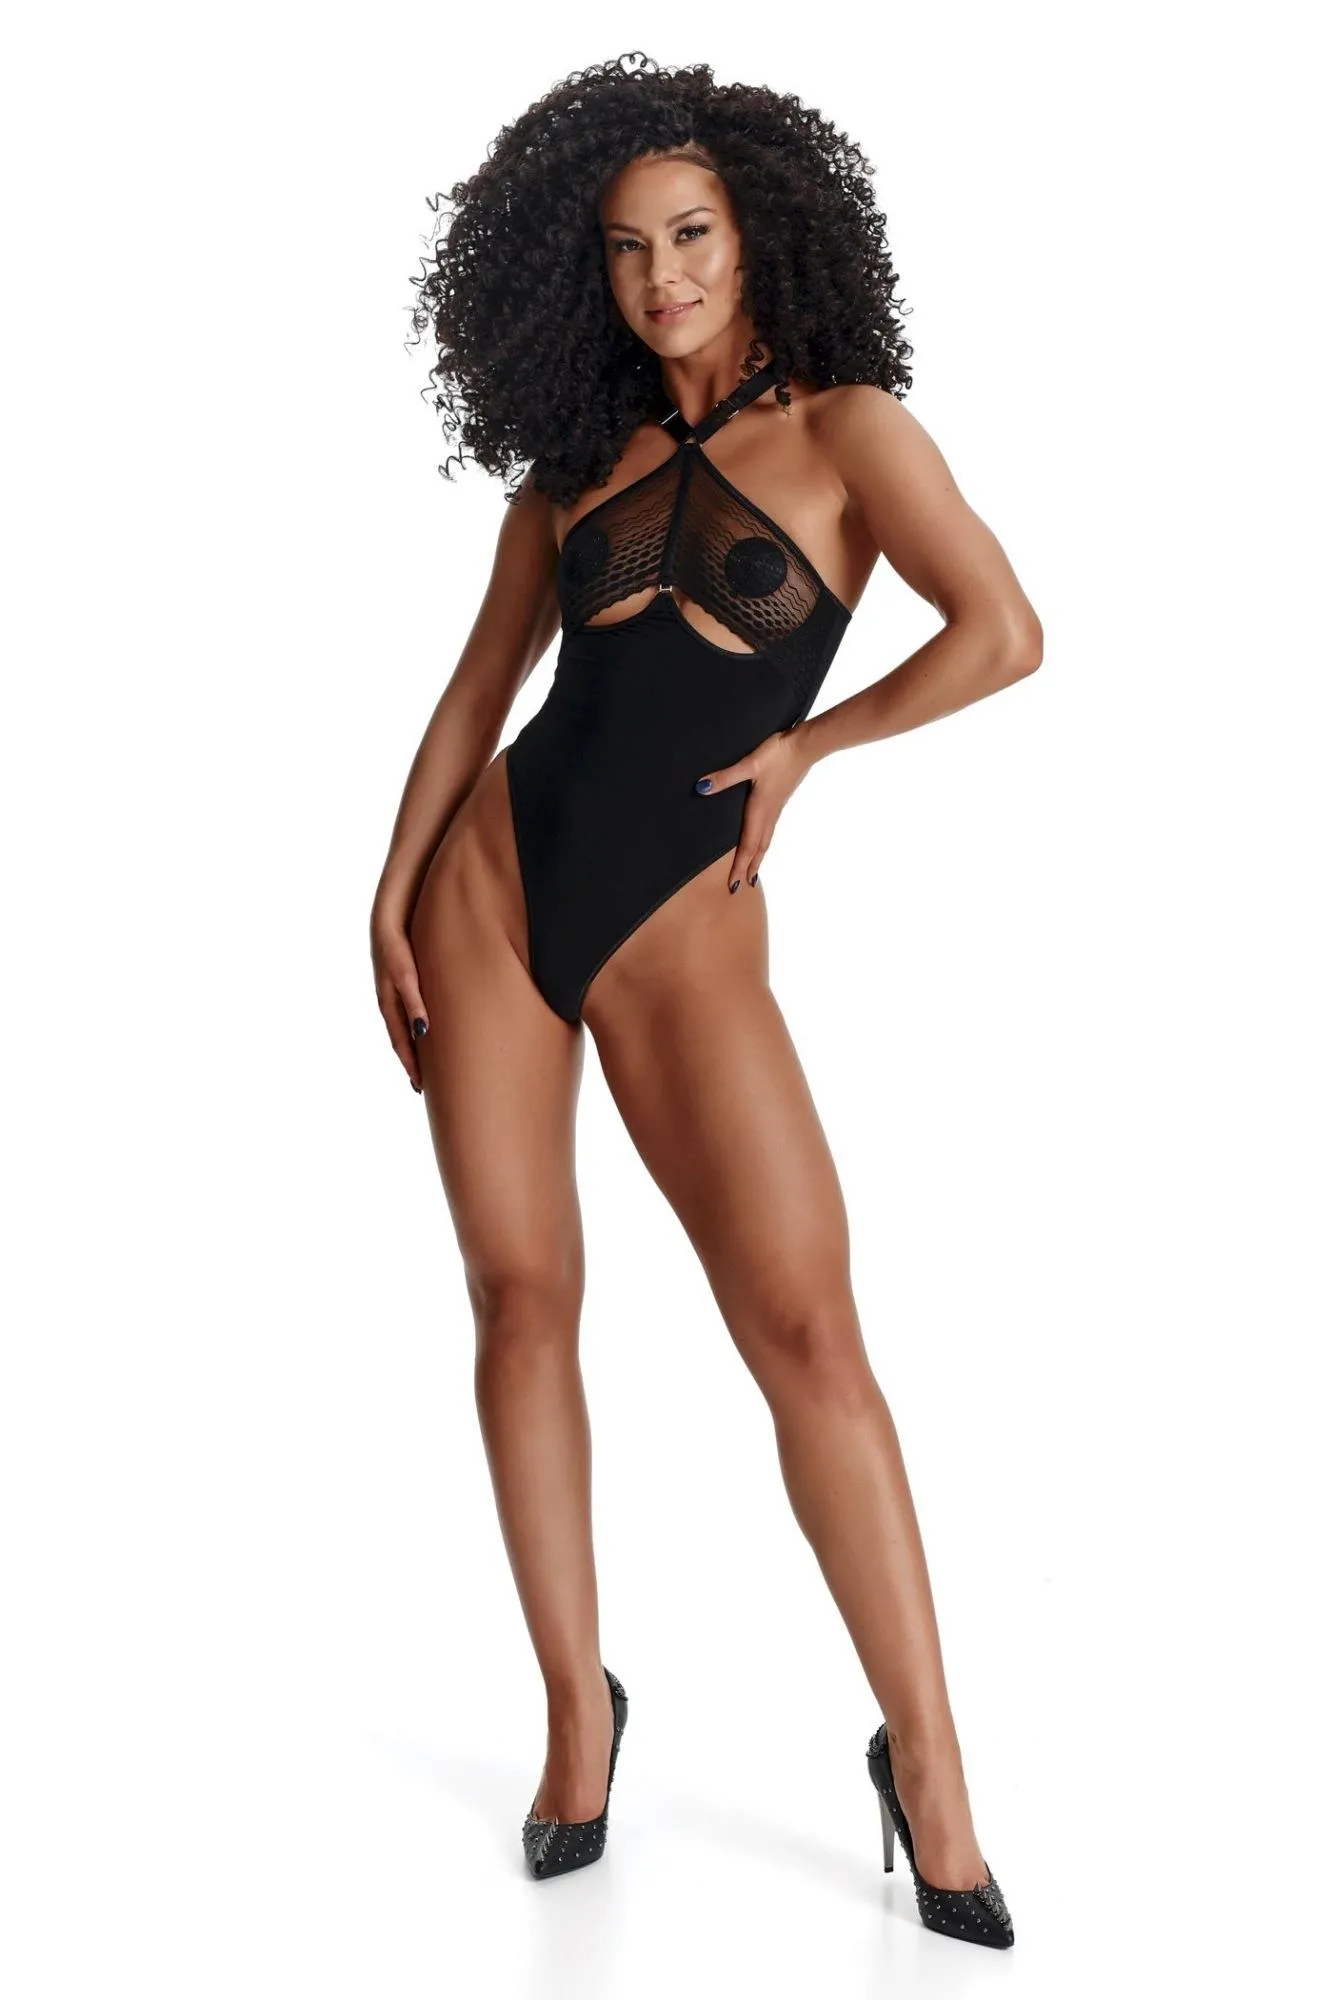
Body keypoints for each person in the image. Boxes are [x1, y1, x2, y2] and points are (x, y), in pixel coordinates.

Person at [370, 53, 1039, 1945]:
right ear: (582, 271)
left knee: (809, 1334)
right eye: (625, 248)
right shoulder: (566, 469)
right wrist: (388, 891)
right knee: (519, 1301)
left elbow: (1003, 632)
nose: (661, 276)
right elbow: (480, 690)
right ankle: (577, 1715)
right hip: (496, 891)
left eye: (692, 236)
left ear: (758, 235)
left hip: (683, 924)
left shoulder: (851, 433)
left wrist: (814, 746)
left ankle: (931, 1773)